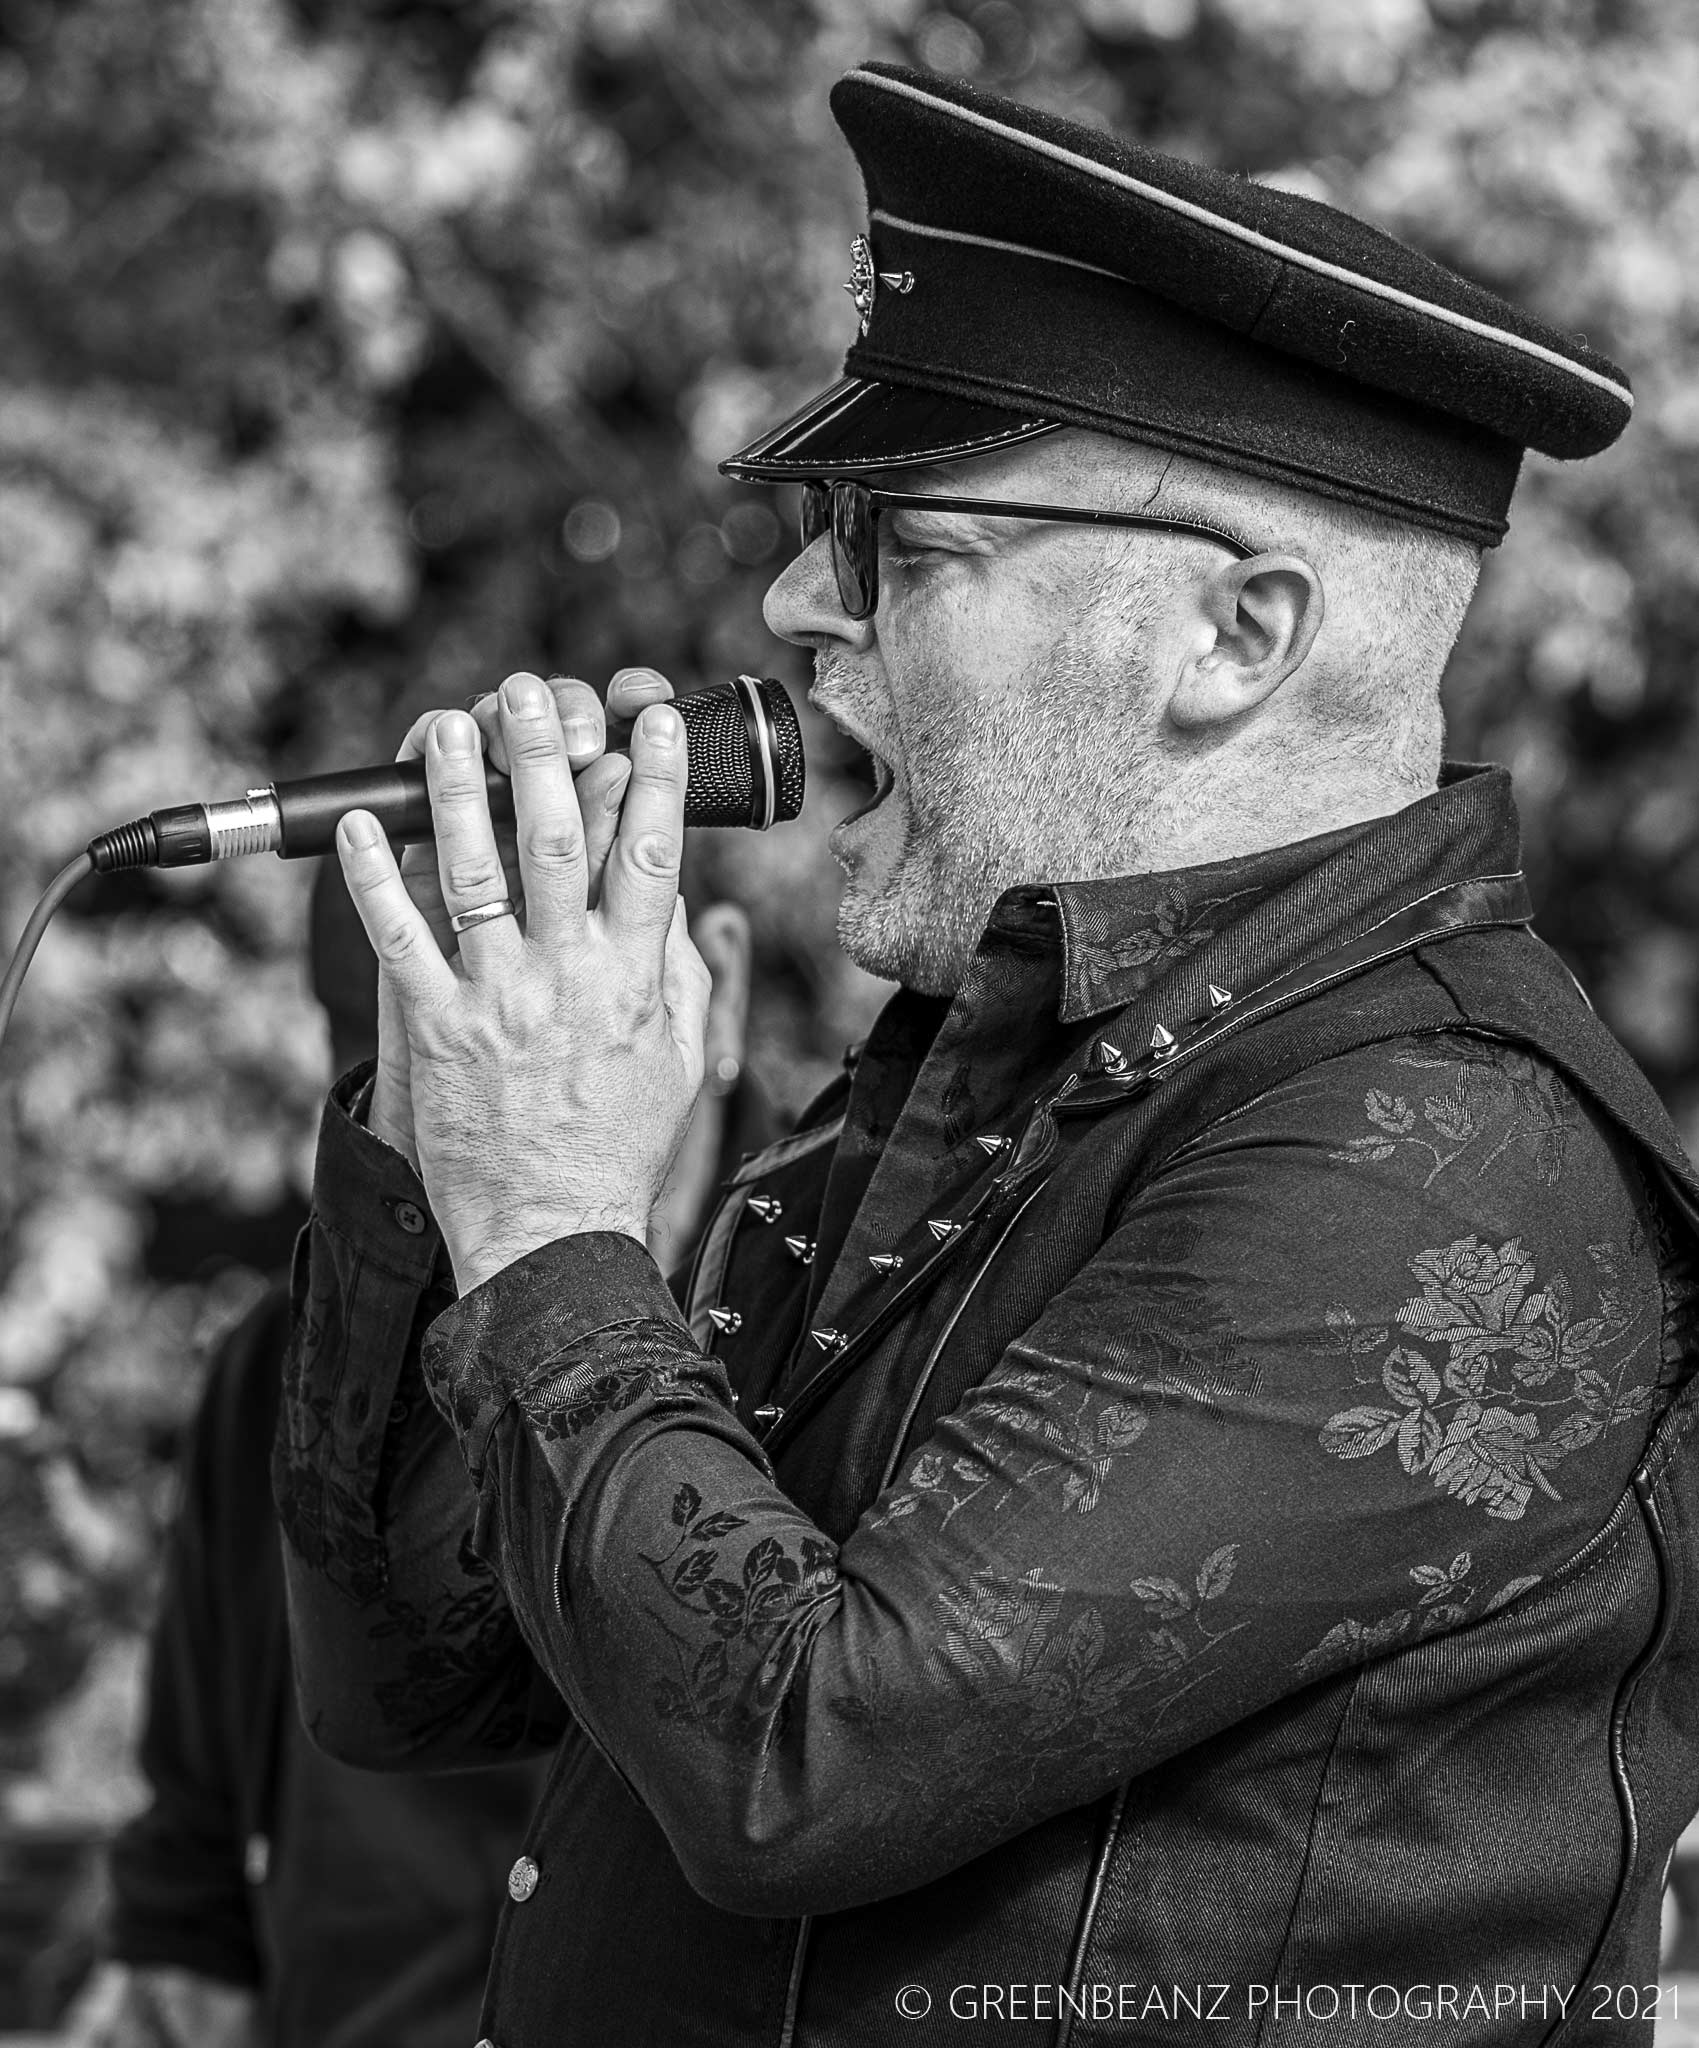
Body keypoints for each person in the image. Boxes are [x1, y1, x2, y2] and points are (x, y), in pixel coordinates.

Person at [273, 60, 1699, 2047]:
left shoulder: (1439, 1159)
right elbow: (421, 1678)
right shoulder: (967, 1072)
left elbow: (804, 1758)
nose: (793, 606)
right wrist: (452, 1147)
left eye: (904, 549)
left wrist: (553, 1226)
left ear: (1237, 636)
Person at [75, 862, 759, 2046]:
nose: (457, 1126)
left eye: (515, 1038)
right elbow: (190, 1865)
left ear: (723, 979)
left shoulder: (835, 1298)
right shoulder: (281, 1356)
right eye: (392, 1064)